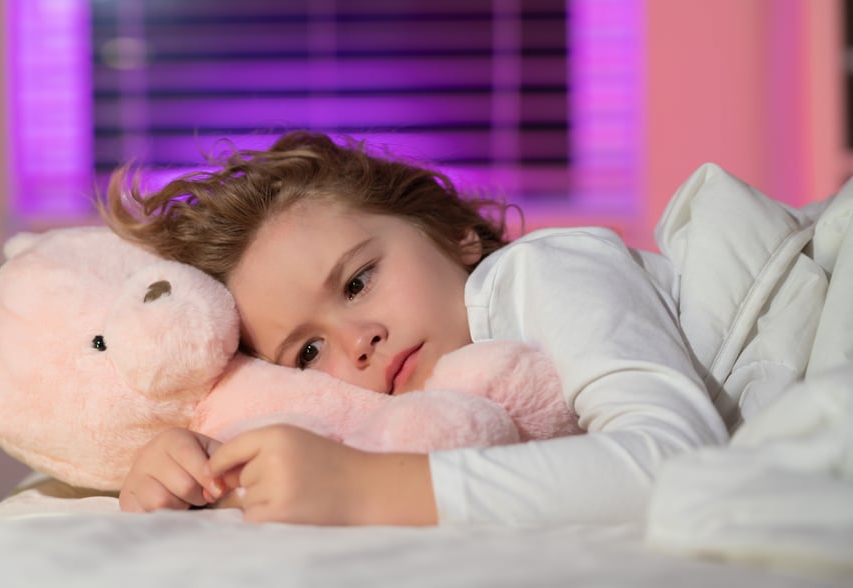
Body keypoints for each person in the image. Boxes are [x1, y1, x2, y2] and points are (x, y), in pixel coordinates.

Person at [99, 130, 729, 527]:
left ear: (452, 232)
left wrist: (368, 489)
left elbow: (682, 463)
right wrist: (192, 467)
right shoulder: (413, 402)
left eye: (357, 281)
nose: (359, 341)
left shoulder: (542, 271)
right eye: (309, 350)